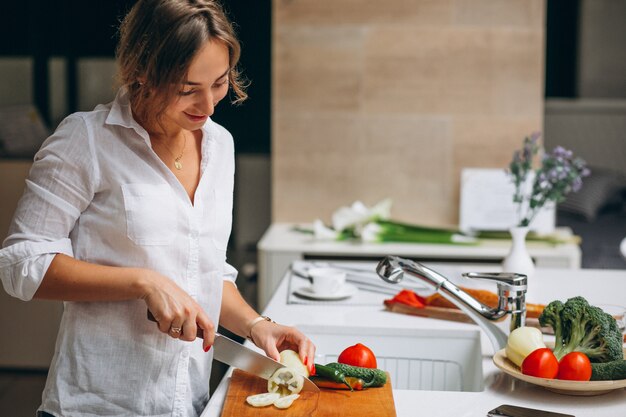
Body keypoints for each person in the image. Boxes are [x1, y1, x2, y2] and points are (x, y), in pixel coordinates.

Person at [0, 1, 315, 415]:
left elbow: (205, 270)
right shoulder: (86, 140)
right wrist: (143, 282)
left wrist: (258, 327)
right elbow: (20, 264)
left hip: (188, 403)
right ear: (142, 72)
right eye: (187, 90)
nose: (209, 106)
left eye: (219, 83)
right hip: (97, 405)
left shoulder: (220, 145)